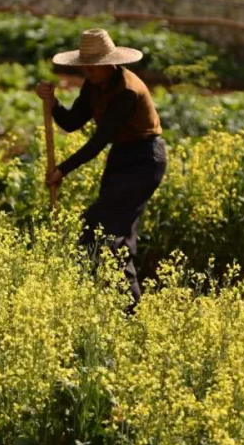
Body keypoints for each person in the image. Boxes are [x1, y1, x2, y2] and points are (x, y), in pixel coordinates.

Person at [35, 28, 166, 307]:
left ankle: (124, 305)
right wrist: (53, 102)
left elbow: (98, 141)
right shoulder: (93, 85)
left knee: (97, 226)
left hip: (144, 160)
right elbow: (71, 123)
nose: (89, 72)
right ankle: (116, 303)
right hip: (122, 157)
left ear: (110, 63)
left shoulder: (127, 91)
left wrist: (62, 170)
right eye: (86, 67)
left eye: (94, 67)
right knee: (117, 231)